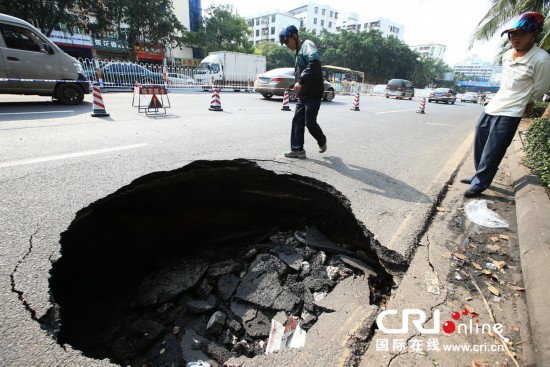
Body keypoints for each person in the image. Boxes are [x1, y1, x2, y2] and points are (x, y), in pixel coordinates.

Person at [461, 11, 550, 197]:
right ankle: (479, 175)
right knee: (480, 140)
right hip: (494, 105)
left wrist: (528, 101)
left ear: (534, 33)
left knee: (494, 148)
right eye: (512, 34)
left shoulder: (541, 59)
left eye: (521, 33)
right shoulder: (508, 54)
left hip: (512, 110)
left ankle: (481, 183)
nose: (515, 38)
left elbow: (541, 87)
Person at [279, 25, 327, 159]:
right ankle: (297, 149)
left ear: (294, 36)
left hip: (313, 93)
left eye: (287, 41)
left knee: (310, 123)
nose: (287, 45)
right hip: (303, 95)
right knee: (297, 121)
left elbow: (314, 64)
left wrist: (300, 81)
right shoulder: (298, 51)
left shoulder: (307, 45)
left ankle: (322, 140)